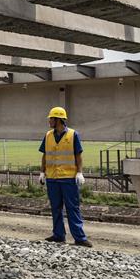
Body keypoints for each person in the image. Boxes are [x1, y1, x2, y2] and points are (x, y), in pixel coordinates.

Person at [38, 106, 91, 247]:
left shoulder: (73, 135)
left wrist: (79, 172)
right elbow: (45, 155)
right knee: (55, 207)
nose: (49, 121)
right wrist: (42, 172)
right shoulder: (48, 135)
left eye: (51, 118)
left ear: (58, 120)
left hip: (68, 178)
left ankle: (79, 238)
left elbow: (78, 156)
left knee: (72, 208)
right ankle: (58, 235)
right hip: (52, 178)